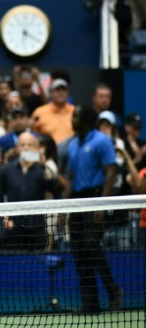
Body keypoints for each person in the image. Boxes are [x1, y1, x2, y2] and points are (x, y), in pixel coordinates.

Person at [64, 104, 123, 314]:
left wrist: (102, 204)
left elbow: (110, 172)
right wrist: (62, 208)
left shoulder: (101, 140)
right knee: (79, 253)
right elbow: (70, 179)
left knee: (91, 245)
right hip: (76, 203)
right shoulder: (72, 145)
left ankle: (114, 291)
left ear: (88, 119)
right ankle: (90, 303)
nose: (73, 120)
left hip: (95, 198)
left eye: (77, 117)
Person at [0, 132, 57, 252]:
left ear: (36, 148)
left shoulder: (42, 169)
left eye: (30, 145)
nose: (26, 147)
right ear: (17, 148)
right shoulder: (6, 170)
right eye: (23, 145)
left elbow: (54, 190)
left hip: (37, 224)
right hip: (14, 225)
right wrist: (5, 218)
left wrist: (44, 167)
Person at [32, 78, 74, 144]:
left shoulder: (75, 112)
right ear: (51, 92)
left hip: (72, 151)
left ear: (68, 92)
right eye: (57, 90)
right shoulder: (40, 112)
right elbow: (32, 134)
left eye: (63, 90)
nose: (60, 93)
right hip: (49, 152)